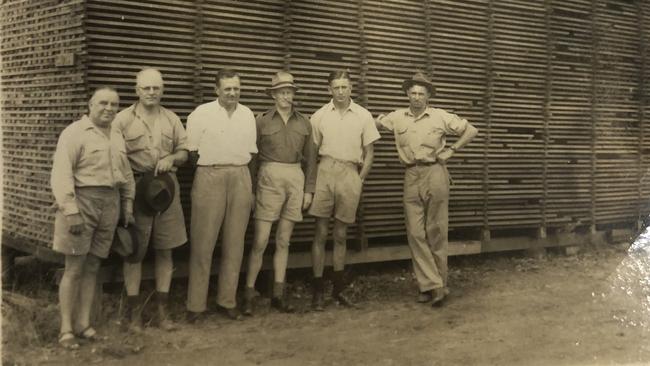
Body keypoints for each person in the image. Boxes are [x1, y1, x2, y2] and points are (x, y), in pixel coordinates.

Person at [376, 72, 478, 307]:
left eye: (421, 93)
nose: (417, 97)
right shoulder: (397, 118)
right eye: (412, 93)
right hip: (411, 175)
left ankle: (435, 285)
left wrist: (451, 150)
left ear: (429, 96)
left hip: (435, 173)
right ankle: (432, 285)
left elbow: (471, 130)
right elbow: (374, 122)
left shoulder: (440, 116)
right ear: (406, 94)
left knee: (436, 230)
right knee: (415, 232)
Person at [51, 87, 135, 349]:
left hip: (110, 202)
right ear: (90, 104)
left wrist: (128, 204)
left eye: (114, 104)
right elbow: (61, 173)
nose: (109, 108)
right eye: (103, 103)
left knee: (93, 267)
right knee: (74, 267)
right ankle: (66, 329)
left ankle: (83, 324)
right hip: (81, 203)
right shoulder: (75, 133)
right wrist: (71, 210)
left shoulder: (117, 135)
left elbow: (126, 173)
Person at [112, 68, 189, 332]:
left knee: (166, 249)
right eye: (146, 88)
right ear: (137, 90)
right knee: (133, 251)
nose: (151, 92)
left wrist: (172, 158)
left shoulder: (171, 119)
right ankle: (134, 315)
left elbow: (185, 152)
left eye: (156, 88)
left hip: (166, 192)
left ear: (162, 90)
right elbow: (115, 158)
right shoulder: (122, 120)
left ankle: (162, 312)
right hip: (136, 190)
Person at [242, 71, 317, 315]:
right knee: (261, 240)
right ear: (273, 95)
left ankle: (278, 294)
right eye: (281, 92)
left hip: (295, 177)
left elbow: (312, 161)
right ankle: (249, 294)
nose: (286, 96)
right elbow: (252, 160)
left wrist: (308, 190)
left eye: (289, 91)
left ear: (294, 94)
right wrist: (252, 191)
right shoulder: (261, 121)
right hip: (268, 178)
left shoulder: (305, 123)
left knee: (284, 240)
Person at [186, 68, 257, 322]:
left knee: (235, 243)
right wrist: (213, 170)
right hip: (210, 175)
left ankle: (227, 301)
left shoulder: (247, 114)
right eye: (227, 88)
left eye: (236, 88)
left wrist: (249, 188)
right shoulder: (201, 114)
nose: (232, 93)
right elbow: (192, 152)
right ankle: (195, 306)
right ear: (216, 90)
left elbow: (252, 154)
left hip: (240, 176)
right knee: (203, 243)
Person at [308, 69, 381, 310]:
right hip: (325, 170)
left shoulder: (363, 115)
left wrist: (359, 179)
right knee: (320, 232)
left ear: (351, 89)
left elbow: (369, 153)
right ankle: (318, 292)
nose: (340, 92)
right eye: (336, 87)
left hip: (350, 172)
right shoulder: (319, 116)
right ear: (329, 89)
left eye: (344, 87)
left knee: (340, 234)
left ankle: (338, 290)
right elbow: (311, 153)